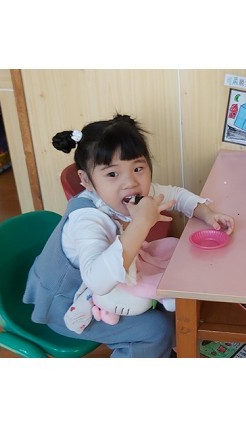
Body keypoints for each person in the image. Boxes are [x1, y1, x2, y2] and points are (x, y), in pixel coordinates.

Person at [24, 113, 235, 357]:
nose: (130, 183)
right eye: (112, 174)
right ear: (87, 181)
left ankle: (164, 350)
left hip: (109, 287)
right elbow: (97, 281)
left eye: (138, 168)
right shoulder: (87, 221)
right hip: (68, 304)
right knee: (155, 330)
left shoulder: (137, 192)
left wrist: (208, 214)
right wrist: (141, 224)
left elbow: (177, 195)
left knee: (179, 271)